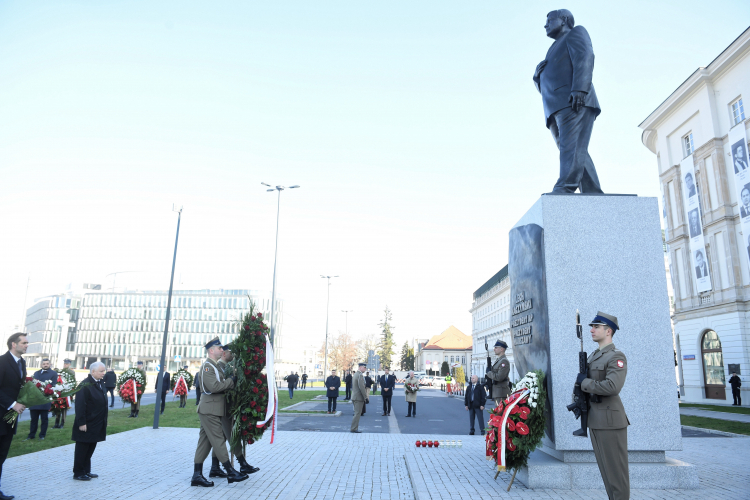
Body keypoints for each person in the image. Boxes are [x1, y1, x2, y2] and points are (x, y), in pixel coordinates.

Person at [533, 9, 602, 194]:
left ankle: (565, 186)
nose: (545, 24)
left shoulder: (576, 32)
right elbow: (549, 84)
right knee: (574, 149)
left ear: (563, 20)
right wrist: (537, 78)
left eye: (549, 20)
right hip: (555, 107)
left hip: (574, 101)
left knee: (570, 147)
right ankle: (592, 190)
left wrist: (579, 88)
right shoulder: (551, 49)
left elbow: (585, 57)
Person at [575, 312, 630, 500]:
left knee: (617, 475)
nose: (591, 330)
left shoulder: (616, 356)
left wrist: (584, 383)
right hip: (596, 419)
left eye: (596, 327)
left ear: (608, 331)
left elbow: (613, 387)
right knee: (607, 473)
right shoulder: (594, 356)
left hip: (610, 421)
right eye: (592, 326)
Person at [191, 336, 247, 487]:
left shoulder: (214, 366)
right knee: (217, 440)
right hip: (209, 409)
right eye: (219, 348)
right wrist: (231, 382)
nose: (222, 350)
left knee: (205, 443)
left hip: (212, 409)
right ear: (211, 350)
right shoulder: (208, 367)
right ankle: (230, 471)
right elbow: (214, 387)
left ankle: (197, 475)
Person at [211, 345, 258, 478]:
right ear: (225, 354)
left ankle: (215, 467)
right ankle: (242, 464)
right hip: (222, 408)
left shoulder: (228, 367)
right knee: (232, 435)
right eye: (231, 353)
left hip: (226, 407)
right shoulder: (218, 367)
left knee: (221, 437)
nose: (234, 355)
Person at [0, 333, 28, 500]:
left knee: (2, 454)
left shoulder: (22, 363)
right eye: (23, 343)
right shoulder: (2, 362)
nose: (26, 345)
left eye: (27, 343)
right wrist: (12, 404)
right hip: (1, 414)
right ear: (13, 344)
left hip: (11, 417)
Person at [71, 361, 108, 481]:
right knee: (82, 448)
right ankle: (78, 472)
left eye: (104, 371)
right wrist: (81, 422)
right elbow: (80, 405)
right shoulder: (85, 385)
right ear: (93, 372)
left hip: (97, 422)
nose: (104, 373)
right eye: (101, 371)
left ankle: (86, 470)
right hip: (87, 423)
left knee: (91, 446)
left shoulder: (100, 382)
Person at [26, 358, 57, 441]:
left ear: (50, 364)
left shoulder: (53, 373)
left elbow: (53, 385)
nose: (45, 365)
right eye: (44, 364)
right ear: (41, 365)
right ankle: (31, 435)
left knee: (44, 419)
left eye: (47, 363)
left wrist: (43, 388)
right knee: (33, 420)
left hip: (45, 399)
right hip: (35, 400)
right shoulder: (37, 373)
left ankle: (42, 435)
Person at [486, 340, 511, 405]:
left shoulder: (504, 361)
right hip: (497, 392)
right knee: (498, 413)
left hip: (501, 393)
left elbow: (499, 377)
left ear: (501, 349)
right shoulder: (499, 360)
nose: (494, 349)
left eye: (496, 348)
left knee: (500, 413)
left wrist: (489, 373)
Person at [54, 358, 75, 429]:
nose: (65, 365)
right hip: (59, 392)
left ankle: (62, 423)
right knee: (57, 408)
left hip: (66, 392)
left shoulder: (71, 372)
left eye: (66, 364)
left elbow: (72, 383)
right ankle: (56, 423)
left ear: (69, 364)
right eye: (64, 363)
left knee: (64, 409)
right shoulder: (60, 371)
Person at [350, 363, 368, 433]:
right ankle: (354, 428)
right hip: (358, 397)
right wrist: (365, 397)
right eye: (364, 367)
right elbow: (361, 387)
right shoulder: (360, 375)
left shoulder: (355, 374)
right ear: (360, 367)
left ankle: (354, 427)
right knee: (357, 413)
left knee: (356, 413)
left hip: (355, 396)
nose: (365, 369)